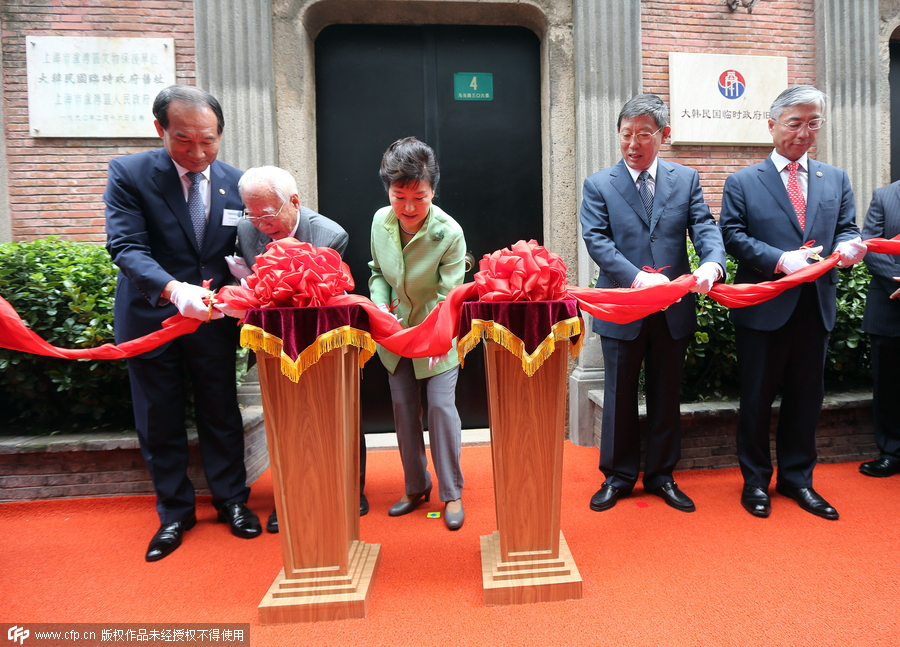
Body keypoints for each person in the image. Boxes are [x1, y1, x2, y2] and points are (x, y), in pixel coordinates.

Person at [104, 85, 261, 562]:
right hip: (152, 316)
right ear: (160, 130)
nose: (197, 152)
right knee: (159, 415)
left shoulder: (238, 183)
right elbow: (126, 247)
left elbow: (256, 244)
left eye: (208, 141)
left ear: (221, 134)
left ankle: (232, 500)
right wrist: (176, 291)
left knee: (220, 409)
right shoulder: (130, 174)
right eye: (184, 140)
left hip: (213, 322)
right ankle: (174, 511)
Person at [719, 85, 867, 520]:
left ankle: (798, 479)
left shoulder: (835, 178)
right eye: (795, 122)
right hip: (763, 308)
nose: (805, 131)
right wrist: (780, 259)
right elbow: (732, 236)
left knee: (807, 397)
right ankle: (755, 482)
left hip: (814, 307)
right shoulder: (743, 181)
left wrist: (849, 247)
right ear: (772, 125)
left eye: (814, 121)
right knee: (757, 398)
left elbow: (846, 227)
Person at [580, 94, 726, 513]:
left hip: (672, 307)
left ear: (664, 135)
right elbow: (597, 240)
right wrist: (637, 277)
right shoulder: (599, 184)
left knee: (666, 392)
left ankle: (662, 475)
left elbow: (703, 226)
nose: (633, 143)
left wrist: (713, 265)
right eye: (626, 134)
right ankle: (619, 476)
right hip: (623, 306)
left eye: (643, 134)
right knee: (619, 392)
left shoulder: (686, 179)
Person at [223, 166, 361, 531]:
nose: (262, 226)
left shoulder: (330, 235)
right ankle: (288, 497)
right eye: (253, 215)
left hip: (322, 337)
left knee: (336, 410)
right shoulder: (245, 229)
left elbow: (323, 297)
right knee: (284, 416)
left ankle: (351, 487)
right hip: (275, 343)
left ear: (294, 202)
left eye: (268, 215)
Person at [368, 137, 468, 530]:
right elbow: (378, 271)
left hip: (437, 336)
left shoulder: (449, 233)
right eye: (399, 196)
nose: (409, 208)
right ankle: (416, 486)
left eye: (420, 198)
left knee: (442, 410)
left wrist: (431, 336)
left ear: (432, 191)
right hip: (393, 336)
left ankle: (452, 492)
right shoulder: (380, 220)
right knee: (404, 411)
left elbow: (449, 297)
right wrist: (378, 305)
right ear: (388, 191)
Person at [858, 181, 900, 477]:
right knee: (888, 385)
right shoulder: (885, 196)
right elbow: (868, 246)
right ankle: (891, 451)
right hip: (890, 308)